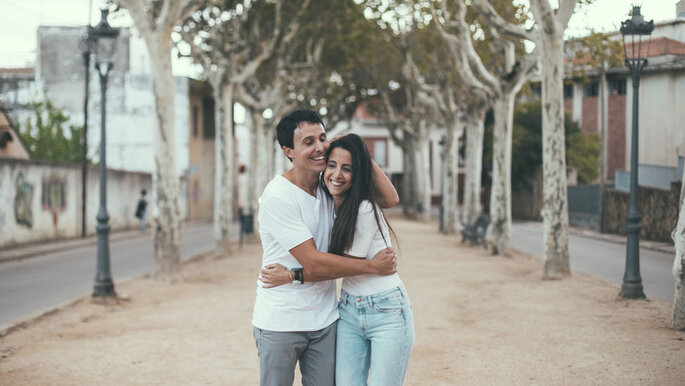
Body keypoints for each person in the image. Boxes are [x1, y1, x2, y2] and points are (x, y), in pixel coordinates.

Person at [252, 110, 399, 386]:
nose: (319, 147)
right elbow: (316, 263)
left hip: (326, 320)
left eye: (322, 138)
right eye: (308, 142)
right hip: (281, 321)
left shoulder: (327, 184)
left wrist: (359, 153)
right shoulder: (278, 196)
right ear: (289, 151)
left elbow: (390, 199)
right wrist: (372, 266)